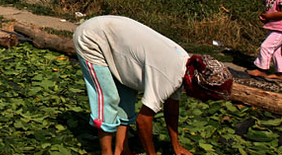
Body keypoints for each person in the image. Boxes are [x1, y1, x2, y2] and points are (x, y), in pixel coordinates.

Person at [73, 15, 233, 155]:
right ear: (199, 86)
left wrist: (176, 146)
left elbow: (171, 110)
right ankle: (106, 152)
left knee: (127, 97)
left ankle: (122, 150)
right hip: (92, 38)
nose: (204, 101)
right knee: (108, 98)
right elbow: (143, 121)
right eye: (207, 97)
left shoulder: (185, 67)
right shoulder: (170, 77)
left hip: (115, 40)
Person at [247, 0, 282, 80]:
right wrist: (265, 17)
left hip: (280, 29)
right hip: (273, 27)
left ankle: (262, 69)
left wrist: (269, 16)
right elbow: (269, 9)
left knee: (266, 46)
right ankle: (280, 73)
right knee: (276, 51)